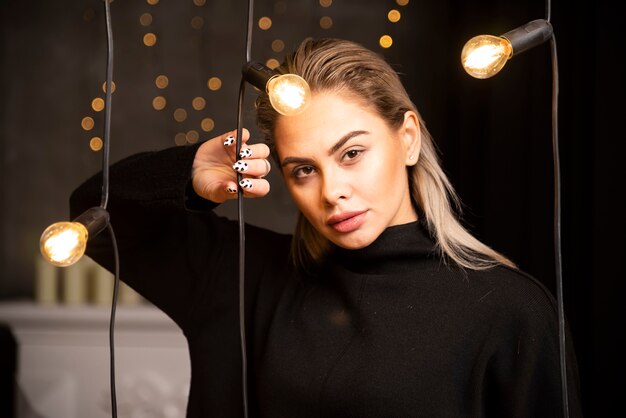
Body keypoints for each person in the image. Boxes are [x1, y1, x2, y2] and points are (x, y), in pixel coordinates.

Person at [70, 38, 582, 417]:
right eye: (303, 170)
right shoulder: (244, 278)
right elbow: (92, 211)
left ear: (407, 139)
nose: (331, 190)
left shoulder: (509, 311)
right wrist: (188, 171)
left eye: (352, 153)